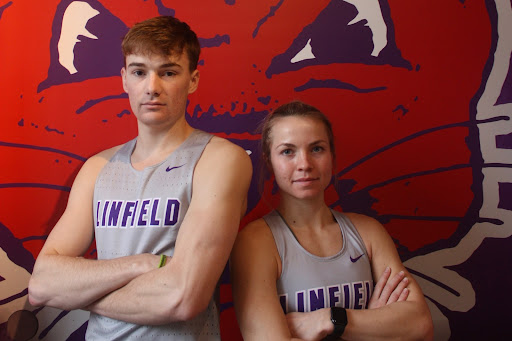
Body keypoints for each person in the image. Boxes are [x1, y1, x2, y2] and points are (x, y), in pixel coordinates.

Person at [28, 16, 252, 340]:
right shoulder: (97, 168)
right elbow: (43, 283)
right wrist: (143, 264)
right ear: (124, 79)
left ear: (193, 80)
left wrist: (78, 293)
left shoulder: (218, 159)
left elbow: (183, 298)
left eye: (168, 72)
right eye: (139, 72)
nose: (152, 87)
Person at [231, 101, 433, 340]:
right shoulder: (255, 242)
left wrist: (328, 319)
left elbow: (420, 326)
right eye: (288, 151)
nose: (305, 164)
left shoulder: (368, 232)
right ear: (268, 160)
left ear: (332, 155)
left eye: (316, 149)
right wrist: (375, 327)